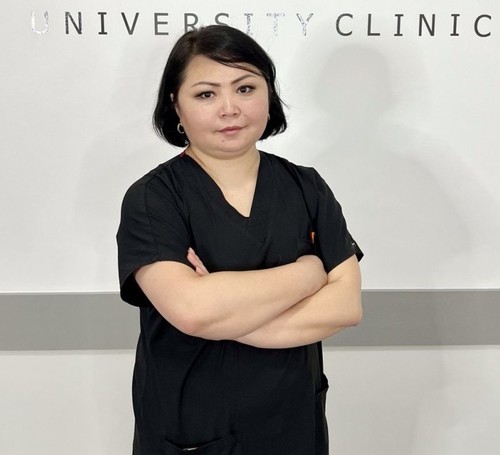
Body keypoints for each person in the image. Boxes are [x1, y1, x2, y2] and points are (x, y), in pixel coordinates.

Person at [117, 24, 363, 455]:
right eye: (206, 94)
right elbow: (193, 312)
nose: (230, 109)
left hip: (293, 423)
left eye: (245, 88)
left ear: (268, 95)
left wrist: (225, 316)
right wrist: (309, 273)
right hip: (193, 428)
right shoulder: (153, 198)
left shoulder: (306, 187)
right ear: (176, 105)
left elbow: (345, 306)